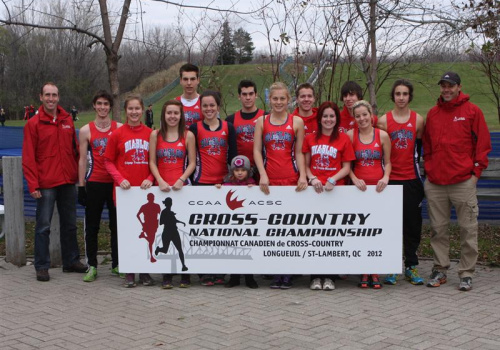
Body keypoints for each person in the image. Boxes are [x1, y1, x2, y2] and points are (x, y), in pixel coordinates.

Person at [423, 72, 491, 292]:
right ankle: (440, 269)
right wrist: (430, 168)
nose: (446, 89)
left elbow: (483, 145)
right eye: (443, 86)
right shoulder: (432, 114)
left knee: (467, 228)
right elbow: (428, 146)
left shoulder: (472, 112)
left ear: (459, 87)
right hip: (436, 183)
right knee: (438, 229)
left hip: (463, 182)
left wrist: (475, 175)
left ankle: (466, 272)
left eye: (450, 86)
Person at [22, 82, 87, 282]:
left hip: (67, 181)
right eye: (47, 95)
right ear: (40, 97)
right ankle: (42, 266)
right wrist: (33, 184)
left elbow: (76, 150)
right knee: (43, 226)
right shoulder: (33, 124)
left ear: (58, 97)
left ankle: (71, 261)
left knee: (70, 224)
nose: (51, 98)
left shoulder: (67, 119)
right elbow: (29, 157)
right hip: (46, 182)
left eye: (54, 95)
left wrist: (79, 176)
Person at [253, 82, 308, 289]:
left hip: (291, 180)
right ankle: (275, 272)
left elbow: (299, 152)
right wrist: (262, 174)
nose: (278, 102)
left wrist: (302, 175)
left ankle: (289, 273)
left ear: (288, 100)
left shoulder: (297, 122)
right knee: (271, 228)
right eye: (274, 99)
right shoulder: (261, 121)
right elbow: (257, 151)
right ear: (269, 100)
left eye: (282, 99)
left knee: (289, 228)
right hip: (269, 181)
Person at [302, 101, 356, 291]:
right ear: (320, 119)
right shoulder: (310, 138)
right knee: (315, 235)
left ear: (336, 118)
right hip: (315, 191)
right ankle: (315, 277)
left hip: (335, 192)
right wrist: (312, 178)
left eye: (332, 116)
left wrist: (333, 179)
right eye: (325, 116)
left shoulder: (343, 139)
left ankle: (330, 276)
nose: (328, 119)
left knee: (332, 235)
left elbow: (347, 167)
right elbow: (306, 165)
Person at [377, 79, 425, 286]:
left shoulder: (419, 120)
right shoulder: (383, 121)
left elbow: (419, 149)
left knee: (412, 225)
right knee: (390, 226)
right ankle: (391, 266)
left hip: (412, 179)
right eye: (398, 94)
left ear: (410, 96)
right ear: (393, 96)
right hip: (390, 180)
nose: (401, 97)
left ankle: (411, 266)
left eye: (405, 94)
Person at [104, 93, 155, 288]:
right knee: (127, 233)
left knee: (146, 232)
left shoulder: (151, 133)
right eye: (130, 109)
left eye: (137, 108)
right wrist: (120, 179)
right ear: (125, 111)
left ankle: (145, 272)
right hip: (124, 192)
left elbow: (154, 163)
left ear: (143, 110)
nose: (134, 112)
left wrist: (150, 179)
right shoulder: (117, 134)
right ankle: (129, 272)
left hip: (144, 192)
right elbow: (108, 161)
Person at [189, 90, 237, 286]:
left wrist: (229, 181)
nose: (209, 109)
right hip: (201, 183)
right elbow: (190, 159)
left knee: (221, 231)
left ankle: (220, 271)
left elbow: (233, 158)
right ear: (200, 108)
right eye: (205, 106)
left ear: (218, 106)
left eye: (212, 105)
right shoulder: (194, 128)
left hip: (222, 184)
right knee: (203, 231)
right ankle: (203, 272)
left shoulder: (228, 127)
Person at [149, 99, 196, 288]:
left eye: (176, 113)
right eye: (169, 113)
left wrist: (182, 179)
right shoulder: (155, 135)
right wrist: (159, 180)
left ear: (181, 115)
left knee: (185, 234)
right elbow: (152, 161)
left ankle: (186, 275)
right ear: (163, 115)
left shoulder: (188, 135)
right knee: (165, 236)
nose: (172, 116)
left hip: (182, 189)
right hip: (162, 189)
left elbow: (192, 162)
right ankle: (167, 274)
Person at [78, 90, 122, 282]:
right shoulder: (86, 130)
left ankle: (117, 264)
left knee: (117, 225)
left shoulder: (119, 128)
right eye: (99, 104)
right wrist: (81, 186)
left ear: (110, 107)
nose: (103, 107)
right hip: (94, 182)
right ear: (94, 106)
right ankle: (92, 266)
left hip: (115, 184)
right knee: (92, 227)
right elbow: (82, 161)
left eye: (106, 104)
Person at [347, 100, 391, 289]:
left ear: (370, 114)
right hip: (359, 190)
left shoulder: (382, 135)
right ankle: (364, 270)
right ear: (354, 118)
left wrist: (386, 177)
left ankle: (375, 271)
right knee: (362, 232)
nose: (362, 118)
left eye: (365, 114)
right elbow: (346, 165)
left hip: (379, 190)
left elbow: (388, 162)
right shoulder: (350, 136)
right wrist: (354, 178)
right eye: (358, 116)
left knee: (377, 231)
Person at [216, 155, 259, 289]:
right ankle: (233, 277)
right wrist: (218, 188)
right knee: (232, 250)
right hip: (231, 224)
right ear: (232, 171)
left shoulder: (252, 184)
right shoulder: (227, 184)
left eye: (243, 170)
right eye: (236, 170)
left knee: (248, 249)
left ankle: (249, 277)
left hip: (247, 224)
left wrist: (254, 189)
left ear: (248, 171)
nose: (240, 173)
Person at [225, 80, 265, 168]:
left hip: (262, 167)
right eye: (244, 94)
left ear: (256, 95)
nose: (248, 97)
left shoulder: (266, 117)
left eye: (251, 94)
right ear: (239, 96)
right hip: (239, 169)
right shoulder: (230, 120)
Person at [176, 63, 203, 127]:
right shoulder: (174, 103)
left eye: (192, 79)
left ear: (198, 80)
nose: (189, 83)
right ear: (180, 81)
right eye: (185, 79)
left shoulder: (206, 103)